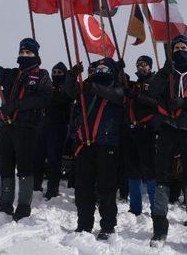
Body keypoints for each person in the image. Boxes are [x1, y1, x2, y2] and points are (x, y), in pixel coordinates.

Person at [142, 35, 187, 250]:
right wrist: (163, 73)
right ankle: (160, 230)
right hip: (168, 128)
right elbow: (152, 92)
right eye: (176, 47)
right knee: (162, 176)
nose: (180, 50)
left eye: (183, 47)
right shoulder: (166, 73)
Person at [0, 38, 53, 221]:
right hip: (5, 126)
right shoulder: (11, 73)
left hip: (26, 127)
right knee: (5, 167)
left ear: (36, 55)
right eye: (22, 52)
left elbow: (44, 98)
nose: (24, 55)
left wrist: (16, 106)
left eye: (28, 53)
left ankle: (23, 206)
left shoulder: (42, 75)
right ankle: (5, 204)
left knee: (24, 168)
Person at [65, 57, 125, 240]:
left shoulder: (117, 86)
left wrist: (97, 86)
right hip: (85, 144)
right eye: (98, 68)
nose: (101, 72)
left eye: (106, 69)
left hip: (107, 144)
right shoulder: (86, 87)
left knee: (106, 188)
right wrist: (71, 75)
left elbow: (118, 96)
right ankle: (84, 224)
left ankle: (107, 226)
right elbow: (70, 91)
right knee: (83, 187)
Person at [123, 55, 157, 216]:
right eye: (138, 65)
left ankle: (155, 207)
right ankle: (135, 207)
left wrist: (137, 96)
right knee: (133, 168)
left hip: (147, 129)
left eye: (144, 65)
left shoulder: (155, 81)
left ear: (150, 66)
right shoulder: (135, 84)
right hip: (132, 129)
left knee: (149, 169)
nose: (141, 67)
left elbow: (156, 103)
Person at [33, 62, 73, 200]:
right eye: (54, 72)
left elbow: (63, 99)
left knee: (54, 160)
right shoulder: (48, 86)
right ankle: (35, 186)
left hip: (58, 128)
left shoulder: (67, 89)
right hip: (42, 126)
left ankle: (52, 190)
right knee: (37, 158)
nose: (56, 75)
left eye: (59, 73)